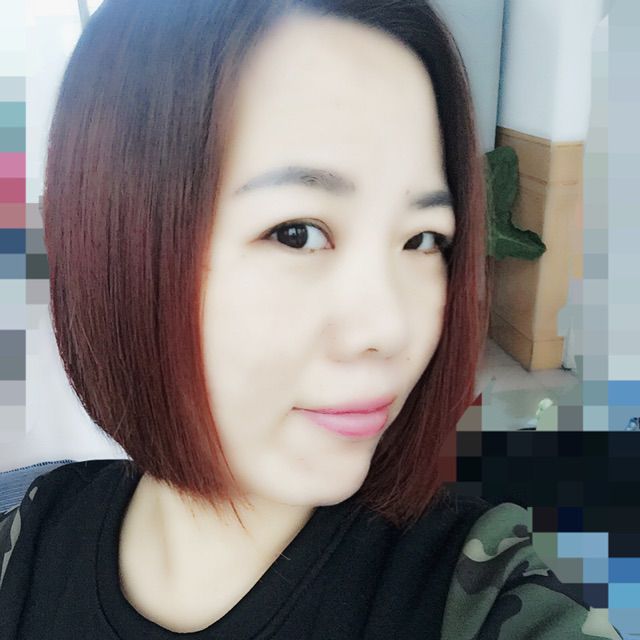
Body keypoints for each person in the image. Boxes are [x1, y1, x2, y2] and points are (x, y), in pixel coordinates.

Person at [0, 1, 623, 638]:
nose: (388, 330)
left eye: (424, 239)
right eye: (296, 233)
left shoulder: (473, 594)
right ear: (115, 245)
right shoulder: (29, 540)